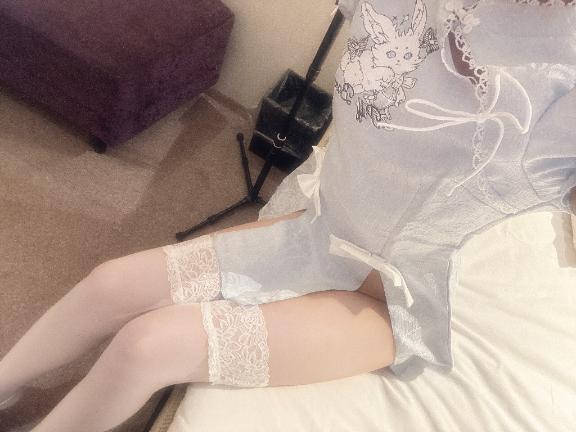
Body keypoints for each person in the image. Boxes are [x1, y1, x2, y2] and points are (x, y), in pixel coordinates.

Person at [1, 0, 575, 430]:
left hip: (392, 297)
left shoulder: (560, 69)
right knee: (109, 284)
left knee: (146, 346)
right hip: (318, 229)